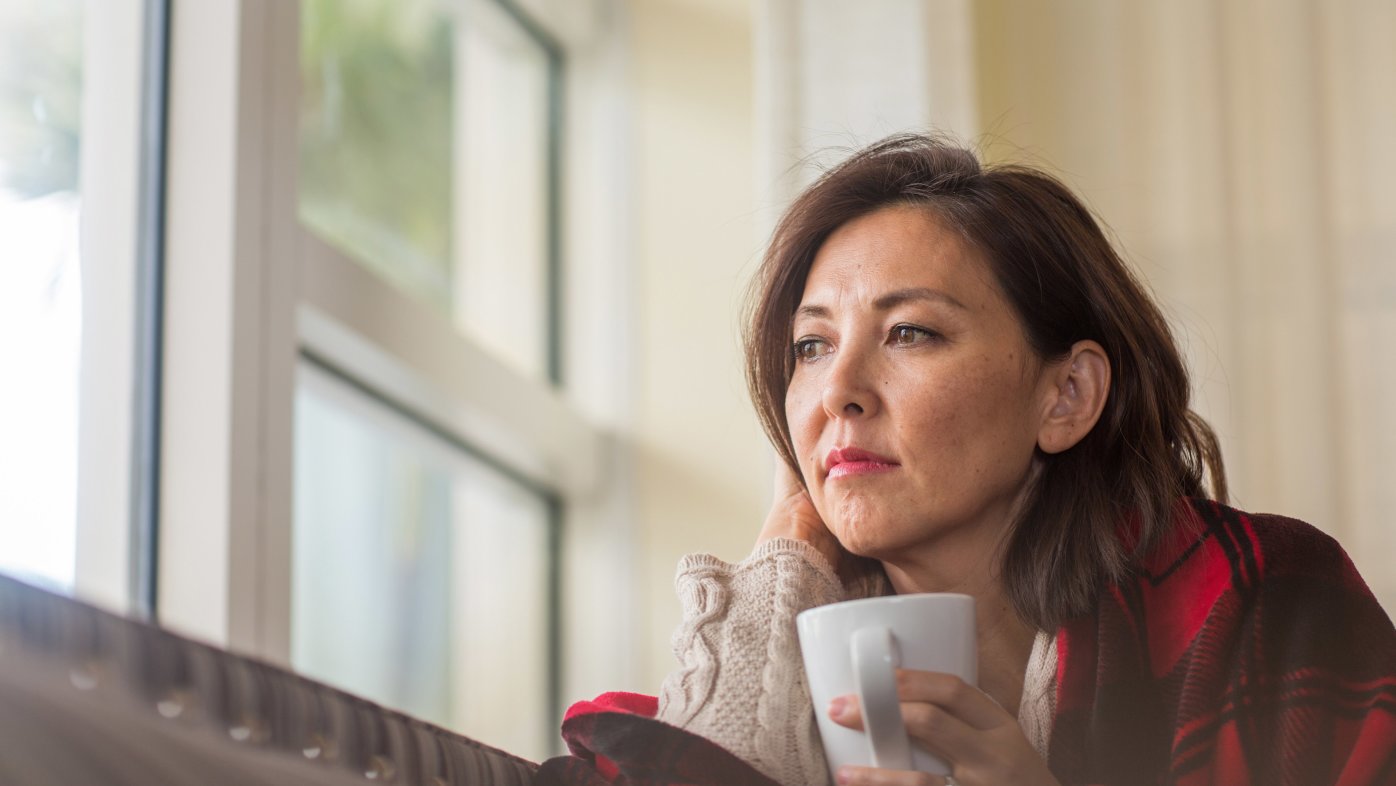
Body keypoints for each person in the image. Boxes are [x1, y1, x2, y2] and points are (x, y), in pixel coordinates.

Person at [536, 135, 1396, 786]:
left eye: (910, 332)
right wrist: (779, 568)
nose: (838, 390)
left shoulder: (1267, 606)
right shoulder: (780, 656)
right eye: (809, 346)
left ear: (1066, 396)